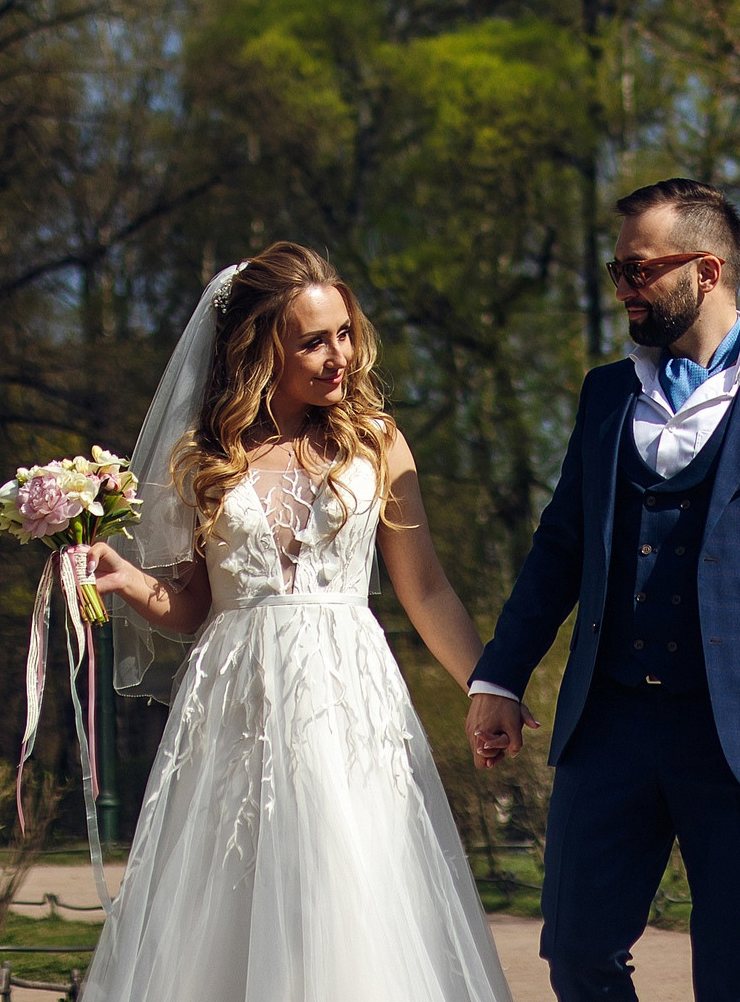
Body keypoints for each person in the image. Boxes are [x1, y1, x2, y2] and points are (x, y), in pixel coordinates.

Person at [464, 179, 740, 1002]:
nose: (623, 288)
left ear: (705, 270)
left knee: (737, 973)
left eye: (638, 270)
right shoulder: (605, 394)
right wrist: (499, 675)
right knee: (577, 949)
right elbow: (558, 549)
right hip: (613, 720)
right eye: (617, 270)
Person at [78, 244, 512, 1002]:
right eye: (312, 339)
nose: (337, 355)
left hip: (346, 698)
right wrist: (127, 581)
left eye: (344, 333)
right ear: (258, 347)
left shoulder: (374, 440)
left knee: (349, 885)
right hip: (237, 707)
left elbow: (428, 590)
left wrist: (490, 684)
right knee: (235, 898)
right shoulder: (205, 455)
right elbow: (191, 610)